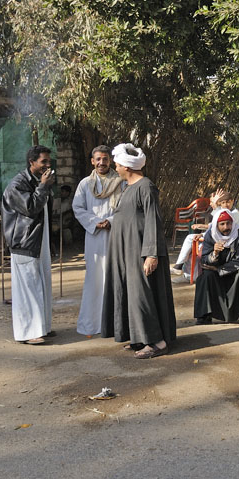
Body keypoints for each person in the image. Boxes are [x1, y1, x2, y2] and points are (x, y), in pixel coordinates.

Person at [101, 143, 176, 359]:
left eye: (117, 162)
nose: (115, 165)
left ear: (127, 166)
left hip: (139, 251)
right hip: (126, 251)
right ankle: (139, 337)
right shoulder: (128, 188)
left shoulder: (146, 187)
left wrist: (151, 253)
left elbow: (153, 220)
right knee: (130, 294)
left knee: (142, 295)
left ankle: (158, 343)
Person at [2, 145, 55, 344]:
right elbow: (30, 208)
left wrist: (45, 186)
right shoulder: (17, 184)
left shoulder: (39, 181)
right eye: (44, 162)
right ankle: (28, 333)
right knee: (28, 287)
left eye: (49, 162)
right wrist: (43, 186)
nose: (48, 165)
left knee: (42, 283)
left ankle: (42, 327)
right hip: (25, 242)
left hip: (39, 240)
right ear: (32, 162)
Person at [72, 145, 124, 337]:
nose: (102, 162)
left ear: (110, 161)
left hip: (115, 235)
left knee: (115, 277)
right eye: (98, 159)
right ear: (92, 161)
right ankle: (91, 325)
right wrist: (95, 222)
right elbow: (78, 208)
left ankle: (115, 325)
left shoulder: (121, 182)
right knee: (94, 280)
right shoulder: (85, 184)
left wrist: (110, 221)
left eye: (105, 159)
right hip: (93, 237)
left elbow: (125, 207)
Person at [194, 210, 239, 325]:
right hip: (215, 274)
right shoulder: (210, 235)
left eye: (228, 223)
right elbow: (204, 259)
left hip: (235, 272)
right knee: (205, 277)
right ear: (216, 225)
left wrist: (219, 269)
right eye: (222, 224)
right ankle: (204, 316)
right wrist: (215, 254)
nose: (226, 227)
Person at [172, 189, 239, 278]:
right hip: (217, 239)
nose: (225, 205)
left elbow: (220, 230)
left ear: (232, 201)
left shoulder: (232, 214)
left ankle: (184, 270)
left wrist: (203, 234)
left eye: (227, 202)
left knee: (194, 244)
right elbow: (214, 227)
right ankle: (185, 272)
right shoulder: (225, 212)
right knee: (192, 242)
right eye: (222, 203)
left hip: (224, 242)